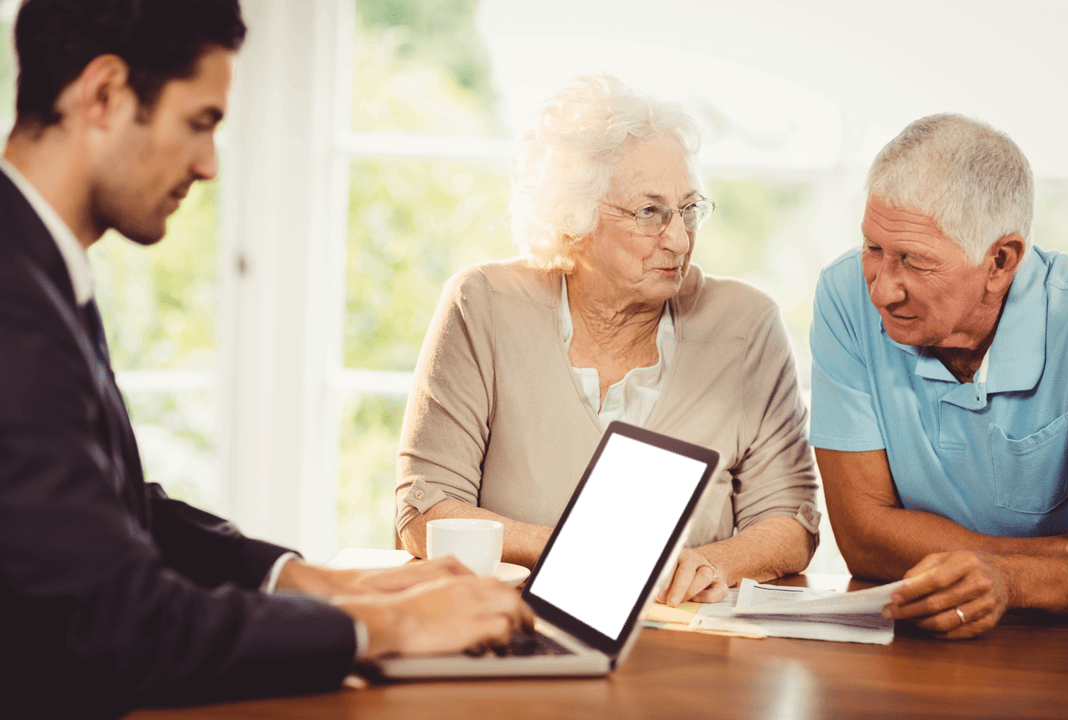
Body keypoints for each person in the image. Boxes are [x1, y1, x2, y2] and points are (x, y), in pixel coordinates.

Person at [0, 1, 531, 717]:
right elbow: (122, 624)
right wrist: (388, 626)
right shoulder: (14, 298)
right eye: (201, 122)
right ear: (103, 94)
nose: (209, 165)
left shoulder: (37, 268)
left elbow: (115, 514)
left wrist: (311, 583)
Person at [395, 74, 820, 607]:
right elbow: (426, 508)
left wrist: (711, 564)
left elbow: (791, 522)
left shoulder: (746, 325)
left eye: (688, 210)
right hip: (512, 627)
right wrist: (578, 554)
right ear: (574, 219)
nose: (681, 239)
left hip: (690, 643)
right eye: (650, 213)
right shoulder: (482, 304)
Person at [809, 113, 1068, 640]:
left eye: (914, 260)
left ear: (1001, 261)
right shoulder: (844, 294)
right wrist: (1061, 560)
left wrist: (1016, 580)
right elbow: (863, 535)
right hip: (917, 629)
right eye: (873, 248)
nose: (882, 291)